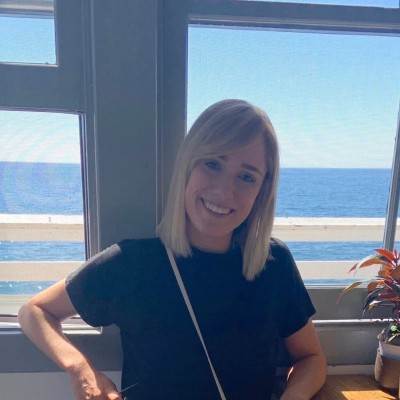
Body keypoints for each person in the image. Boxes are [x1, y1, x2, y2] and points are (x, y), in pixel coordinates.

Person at [18, 99, 326, 400]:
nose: (224, 190)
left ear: (262, 190)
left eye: (246, 177)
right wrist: (81, 370)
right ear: (188, 166)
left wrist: (295, 395)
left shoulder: (274, 264)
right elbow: (35, 311)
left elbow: (311, 358)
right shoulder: (131, 264)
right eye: (213, 164)